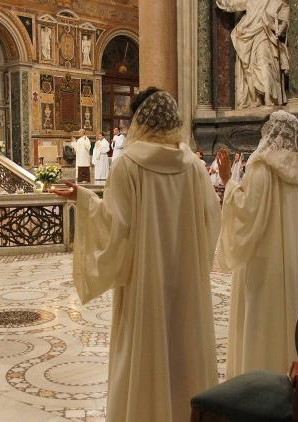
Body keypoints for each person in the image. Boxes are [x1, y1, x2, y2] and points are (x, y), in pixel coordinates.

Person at [51, 87, 220, 422]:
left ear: (139, 121)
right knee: (185, 346)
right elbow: (212, 220)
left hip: (147, 285)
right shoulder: (194, 166)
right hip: (187, 283)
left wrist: (84, 199)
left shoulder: (128, 165)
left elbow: (114, 227)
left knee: (144, 349)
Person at [218, 110, 298, 376]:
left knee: (264, 317)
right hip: (296, 259)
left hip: (266, 263)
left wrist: (227, 181)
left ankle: (260, 375)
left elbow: (245, 211)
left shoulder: (262, 166)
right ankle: (294, 370)